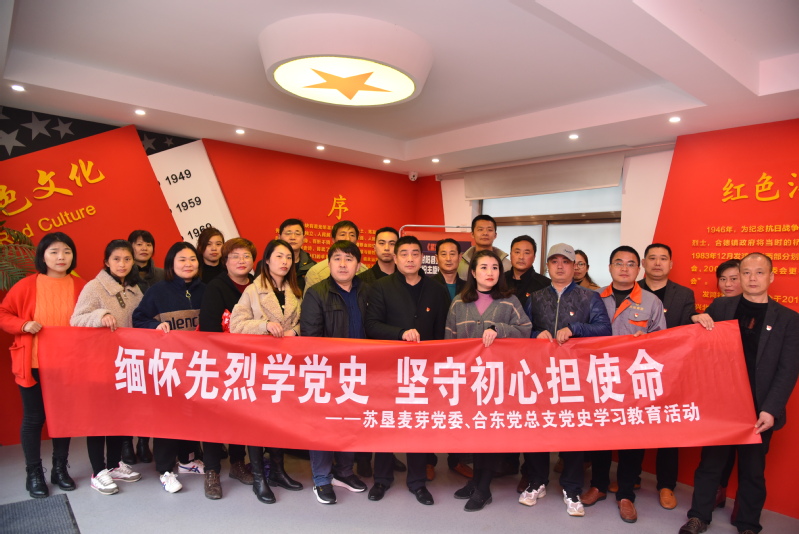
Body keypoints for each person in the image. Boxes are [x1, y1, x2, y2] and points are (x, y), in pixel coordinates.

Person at [681, 253, 799, 534]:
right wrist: (695, 317)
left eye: (759, 272)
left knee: (753, 470)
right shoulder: (722, 306)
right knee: (710, 464)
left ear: (771, 277)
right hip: (721, 404)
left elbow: (788, 369)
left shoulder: (788, 319)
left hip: (759, 408)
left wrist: (771, 409)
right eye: (746, 272)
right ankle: (699, 516)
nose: (752, 278)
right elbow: (693, 336)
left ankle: (748, 524)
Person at [521, 242, 611, 517]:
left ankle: (572, 488)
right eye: (554, 261)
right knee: (537, 427)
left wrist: (574, 328)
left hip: (575, 375)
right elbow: (521, 329)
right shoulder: (535, 297)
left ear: (575, 267)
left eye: (566, 261)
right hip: (540, 374)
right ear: (547, 266)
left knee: (573, 431)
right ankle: (537, 481)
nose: (560, 266)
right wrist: (535, 333)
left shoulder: (590, 297)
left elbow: (604, 329)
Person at [580, 246, 665, 523]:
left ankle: (626, 493)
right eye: (619, 263)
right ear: (610, 267)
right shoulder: (593, 297)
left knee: (632, 439)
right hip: (600, 377)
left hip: (634, 381)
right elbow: (582, 334)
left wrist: (647, 340)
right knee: (601, 435)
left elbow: (663, 342)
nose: (624, 268)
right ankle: (598, 486)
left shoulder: (651, 301)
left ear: (638, 269)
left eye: (630, 264)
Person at [364, 235, 450, 506]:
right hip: (389, 368)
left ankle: (417, 482)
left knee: (418, 425)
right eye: (404, 254)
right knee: (386, 422)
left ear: (422, 258)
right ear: (395, 257)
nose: (410, 259)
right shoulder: (380, 287)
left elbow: (442, 332)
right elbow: (371, 325)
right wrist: (400, 332)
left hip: (423, 370)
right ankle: (381, 479)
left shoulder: (436, 290)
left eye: (415, 253)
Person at [0, 232, 86, 498]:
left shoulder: (82, 286)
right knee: (34, 418)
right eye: (54, 252)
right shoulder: (27, 285)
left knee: (63, 418)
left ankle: (59, 469)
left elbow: (90, 318)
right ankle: (33, 473)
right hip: (33, 362)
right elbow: (3, 313)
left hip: (68, 365)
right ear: (43, 256)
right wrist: (23, 325)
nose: (61, 257)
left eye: (67, 252)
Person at [446, 249, 531, 511]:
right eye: (483, 267)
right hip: (468, 379)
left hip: (497, 379)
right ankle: (475, 481)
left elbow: (526, 331)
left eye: (495, 268)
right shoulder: (459, 303)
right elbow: (449, 340)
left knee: (490, 433)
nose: (490, 272)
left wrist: (499, 329)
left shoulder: (509, 301)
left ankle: (483, 488)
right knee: (473, 432)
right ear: (473, 272)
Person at [229, 239, 304, 503]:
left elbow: (303, 321)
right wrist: (264, 325)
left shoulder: (295, 290)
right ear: (267, 260)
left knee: (279, 420)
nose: (284, 261)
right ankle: (259, 477)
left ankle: (278, 472)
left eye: (288, 257)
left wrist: (295, 331)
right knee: (258, 422)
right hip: (258, 366)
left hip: (283, 367)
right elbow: (236, 325)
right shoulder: (253, 290)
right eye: (279, 256)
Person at [132, 241, 207, 494]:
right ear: (171, 265)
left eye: (192, 259)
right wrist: (154, 327)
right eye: (182, 260)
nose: (188, 264)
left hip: (196, 366)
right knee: (167, 416)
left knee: (191, 413)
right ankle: (165, 470)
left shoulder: (206, 290)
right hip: (168, 366)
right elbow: (138, 319)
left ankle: (187, 460)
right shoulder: (158, 291)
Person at [70, 239, 144, 495]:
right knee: (98, 419)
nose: (122, 264)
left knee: (118, 418)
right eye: (116, 259)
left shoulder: (134, 289)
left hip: (125, 363)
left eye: (127, 259)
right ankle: (97, 471)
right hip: (99, 363)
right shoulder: (94, 287)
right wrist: (100, 315)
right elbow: (76, 319)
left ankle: (113, 465)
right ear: (106, 262)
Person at [301, 240, 369, 504]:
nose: (343, 264)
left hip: (359, 371)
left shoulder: (368, 291)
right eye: (337, 258)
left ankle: (344, 472)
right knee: (323, 425)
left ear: (358, 265)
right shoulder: (316, 293)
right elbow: (310, 337)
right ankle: (321, 479)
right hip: (326, 372)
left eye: (349, 259)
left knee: (350, 423)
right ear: (328, 263)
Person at [197, 237, 258, 500]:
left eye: (246, 256)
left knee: (240, 415)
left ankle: (237, 463)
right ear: (225, 261)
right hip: (218, 360)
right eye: (235, 256)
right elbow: (209, 328)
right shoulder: (216, 286)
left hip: (248, 362)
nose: (241, 261)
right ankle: (211, 470)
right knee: (214, 416)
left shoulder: (258, 285)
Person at [638, 242, 697, 510]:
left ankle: (666, 485)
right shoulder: (633, 289)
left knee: (668, 429)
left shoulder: (683, 294)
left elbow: (685, 330)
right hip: (636, 370)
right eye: (652, 258)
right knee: (634, 424)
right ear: (643, 263)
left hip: (670, 371)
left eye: (663, 258)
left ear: (671, 264)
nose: (657, 263)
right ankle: (632, 478)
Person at [430, 238, 472, 480]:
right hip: (433, 355)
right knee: (430, 408)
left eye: (453, 253)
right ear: (436, 258)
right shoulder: (427, 284)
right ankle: (428, 460)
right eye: (443, 254)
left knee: (458, 409)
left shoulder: (470, 286)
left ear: (460, 258)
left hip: (462, 357)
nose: (448, 258)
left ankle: (457, 459)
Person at [125, 229, 162, 464]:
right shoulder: (122, 273)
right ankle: (128, 443)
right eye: (138, 244)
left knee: (153, 397)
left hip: (157, 344)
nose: (144, 248)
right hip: (129, 343)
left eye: (148, 244)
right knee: (132, 396)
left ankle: (144, 441)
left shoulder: (161, 275)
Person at [303, 220, 367, 292]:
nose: (348, 239)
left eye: (352, 235)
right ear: (333, 240)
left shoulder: (364, 270)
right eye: (343, 234)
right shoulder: (316, 272)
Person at [457, 215, 512, 280]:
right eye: (480, 229)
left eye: (489, 230)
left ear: (495, 235)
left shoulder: (506, 265)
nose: (485, 233)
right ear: (472, 234)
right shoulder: (459, 264)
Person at [505, 235, 550, 310]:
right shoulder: (500, 280)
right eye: (517, 252)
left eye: (526, 253)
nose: (521, 257)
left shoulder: (545, 285)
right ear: (510, 255)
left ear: (534, 257)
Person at [279, 218, 316, 291]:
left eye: (297, 234)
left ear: (303, 238)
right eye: (288, 233)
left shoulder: (312, 267)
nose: (293, 238)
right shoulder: (267, 265)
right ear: (279, 237)